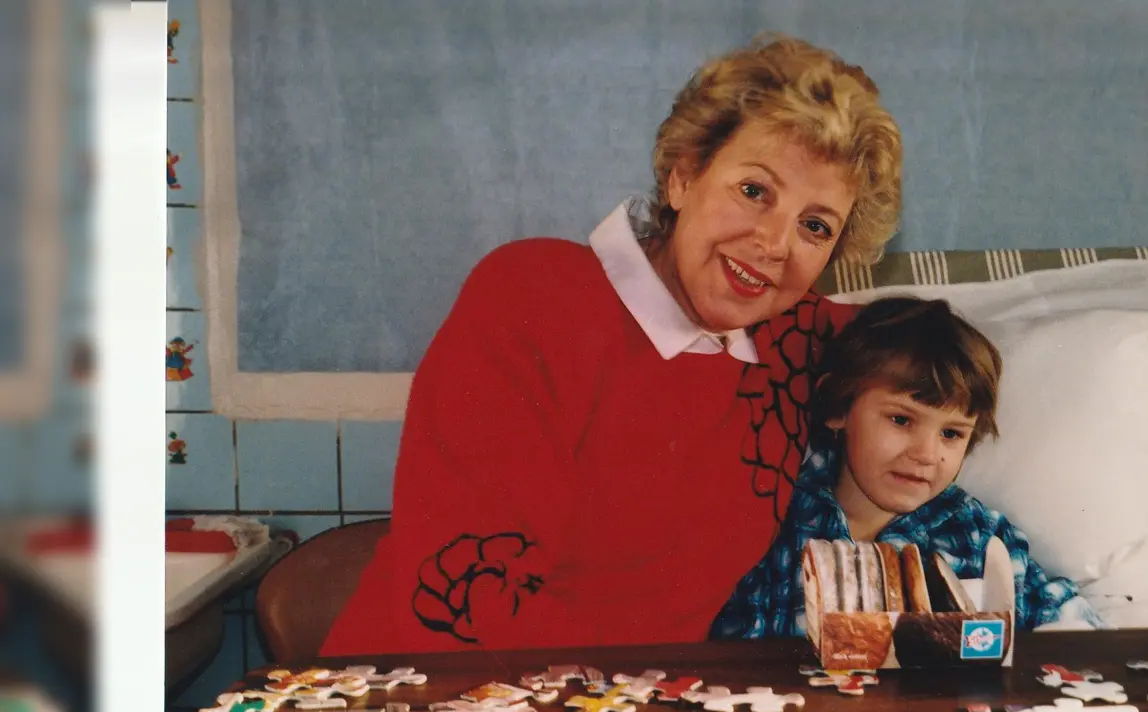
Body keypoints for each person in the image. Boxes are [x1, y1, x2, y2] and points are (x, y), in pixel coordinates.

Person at [318, 35, 902, 654]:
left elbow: (939, 352)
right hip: (424, 702)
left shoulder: (794, 338)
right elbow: (465, 597)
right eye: (754, 191)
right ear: (683, 178)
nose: (775, 242)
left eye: (815, 227)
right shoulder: (532, 299)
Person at [710, 297, 1105, 638]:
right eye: (901, 420)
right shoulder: (781, 511)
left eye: (951, 434)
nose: (926, 454)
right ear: (837, 408)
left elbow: (1067, 624)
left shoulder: (975, 534)